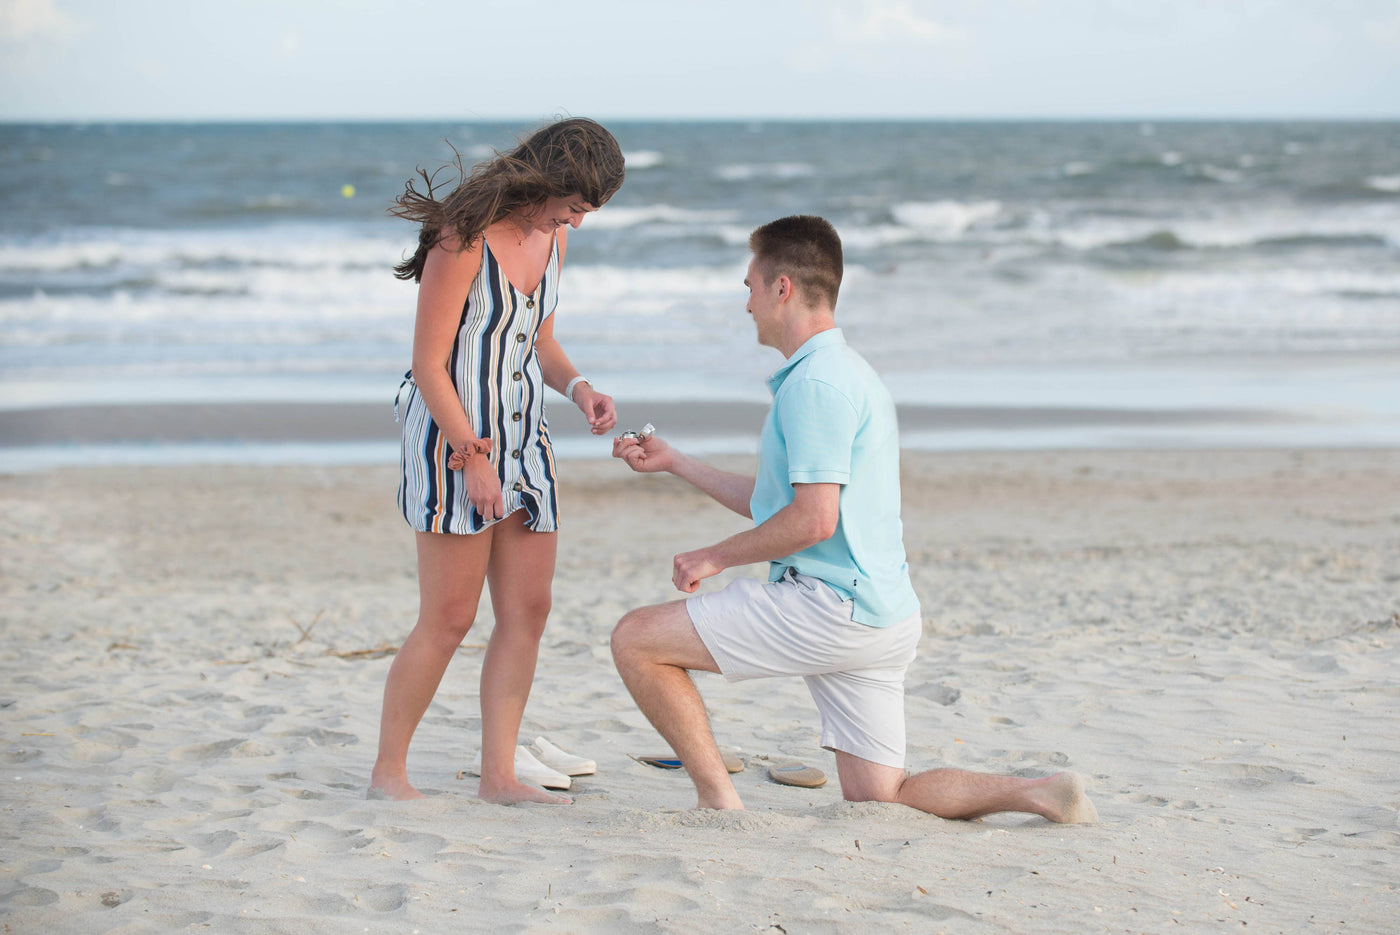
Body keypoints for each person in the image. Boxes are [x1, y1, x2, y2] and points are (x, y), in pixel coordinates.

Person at [610, 215, 1098, 822]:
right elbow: (780, 507)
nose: (747, 304)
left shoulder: (816, 384)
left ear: (782, 287)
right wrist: (677, 462)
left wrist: (714, 557)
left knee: (636, 639)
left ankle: (717, 800)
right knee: (880, 796)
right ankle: (1038, 792)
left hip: (830, 607)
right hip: (882, 617)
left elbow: (813, 521)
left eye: (750, 286)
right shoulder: (844, 373)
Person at [369, 118, 624, 803]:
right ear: (544, 180)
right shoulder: (462, 238)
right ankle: (388, 772)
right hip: (453, 443)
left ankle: (498, 775)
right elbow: (427, 364)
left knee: (527, 611)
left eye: (586, 209)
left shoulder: (556, 237)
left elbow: (538, 338)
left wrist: (579, 389)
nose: (578, 218)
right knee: (448, 618)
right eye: (573, 203)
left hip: (523, 440)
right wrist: (470, 456)